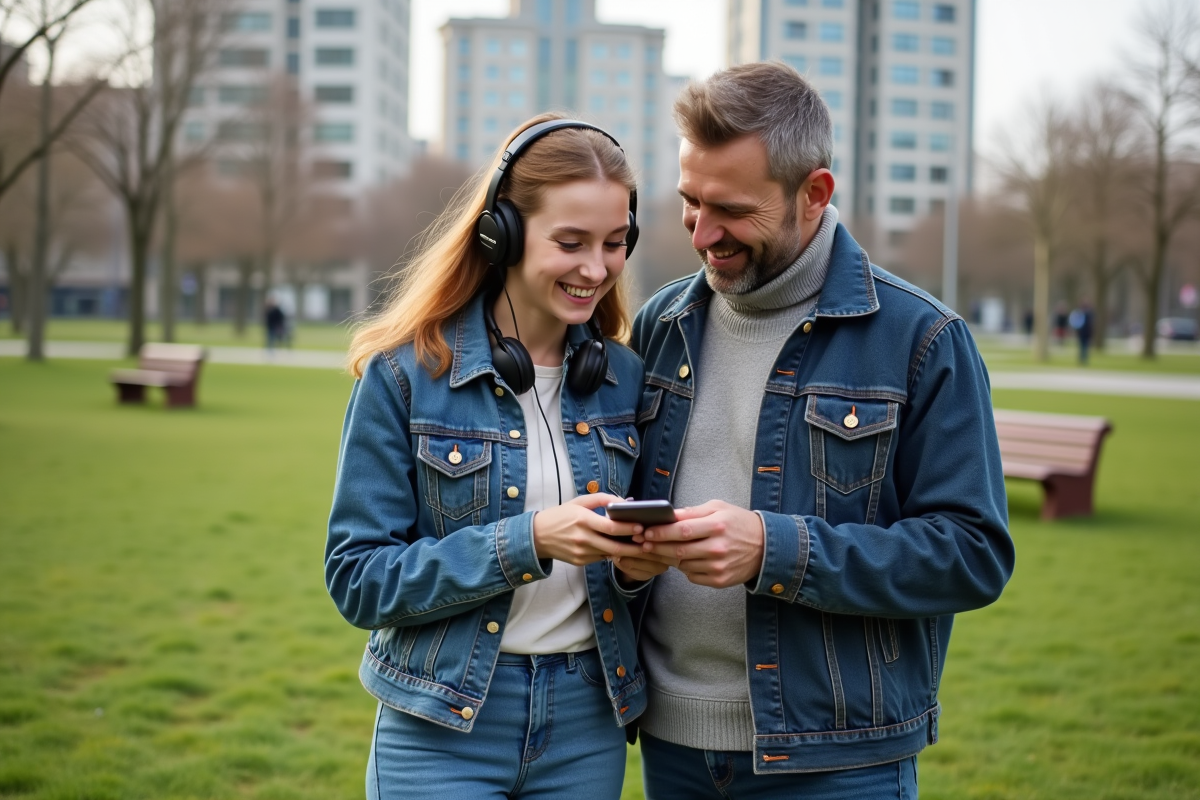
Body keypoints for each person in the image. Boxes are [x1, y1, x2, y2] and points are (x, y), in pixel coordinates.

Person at [625, 62, 1015, 798]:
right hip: (670, 750)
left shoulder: (924, 339)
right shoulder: (660, 325)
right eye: (688, 201)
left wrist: (774, 549)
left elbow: (971, 554)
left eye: (732, 209)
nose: (702, 233)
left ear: (814, 193)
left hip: (839, 763)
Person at [324, 114, 668, 800]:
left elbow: (631, 589)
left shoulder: (628, 380)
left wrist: (634, 570)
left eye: (614, 243)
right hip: (441, 721)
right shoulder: (405, 376)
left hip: (586, 720)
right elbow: (359, 579)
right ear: (500, 234)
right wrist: (530, 541)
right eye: (569, 242)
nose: (595, 268)